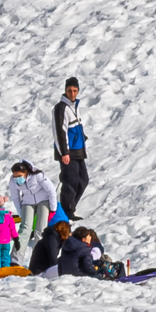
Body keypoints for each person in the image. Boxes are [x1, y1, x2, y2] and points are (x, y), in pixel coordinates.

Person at [52, 79, 90, 217]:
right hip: (68, 153)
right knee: (71, 181)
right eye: (70, 91)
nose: (72, 93)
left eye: (75, 90)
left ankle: (69, 208)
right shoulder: (61, 108)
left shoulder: (74, 105)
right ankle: (67, 212)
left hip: (78, 150)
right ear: (65, 90)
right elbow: (59, 132)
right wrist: (64, 152)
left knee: (83, 180)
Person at [8, 161, 57, 259]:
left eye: (19, 176)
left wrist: (53, 209)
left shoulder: (38, 175)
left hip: (43, 200)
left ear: (26, 172)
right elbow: (15, 197)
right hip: (27, 202)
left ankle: (39, 259)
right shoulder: (13, 181)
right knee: (25, 229)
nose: (17, 178)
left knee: (41, 229)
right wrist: (22, 213)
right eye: (15, 176)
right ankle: (15, 259)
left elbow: (51, 190)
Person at [28, 209, 69, 275]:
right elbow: (53, 258)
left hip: (42, 269)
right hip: (39, 271)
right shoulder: (51, 238)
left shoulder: (54, 237)